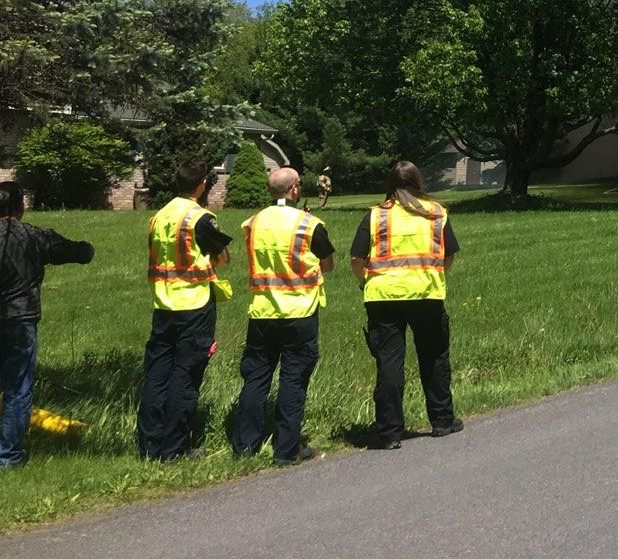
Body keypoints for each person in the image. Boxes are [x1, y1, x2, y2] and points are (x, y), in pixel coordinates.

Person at [349, 161, 461, 449]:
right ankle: (442, 421)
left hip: (383, 297)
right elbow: (449, 255)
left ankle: (389, 432)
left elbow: (356, 259)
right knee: (434, 357)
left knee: (389, 362)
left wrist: (365, 282)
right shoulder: (436, 213)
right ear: (418, 182)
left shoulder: (375, 216)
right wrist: (433, 274)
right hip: (426, 294)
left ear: (390, 184)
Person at [229, 168, 335, 465]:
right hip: (299, 311)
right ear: (294, 190)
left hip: (263, 310)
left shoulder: (253, 222)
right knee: (293, 379)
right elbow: (327, 263)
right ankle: (286, 449)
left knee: (255, 378)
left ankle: (244, 446)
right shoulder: (308, 224)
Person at [138, 157, 231, 461]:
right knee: (185, 376)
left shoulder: (159, 216)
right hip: (194, 305)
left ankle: (149, 445)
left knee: (156, 375)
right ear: (202, 184)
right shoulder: (199, 218)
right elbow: (222, 258)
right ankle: (174, 448)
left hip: (163, 304)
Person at [0, 181, 93, 468]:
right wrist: (86, 248)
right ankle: (8, 456)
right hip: (20, 319)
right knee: (18, 388)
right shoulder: (33, 236)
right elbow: (80, 252)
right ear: (20, 206)